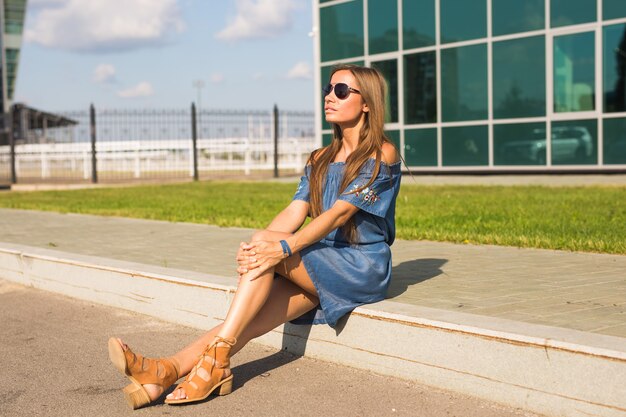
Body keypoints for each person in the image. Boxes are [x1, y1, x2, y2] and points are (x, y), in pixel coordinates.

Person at [108, 64, 402, 409]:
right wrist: (259, 245)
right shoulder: (320, 158)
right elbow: (296, 210)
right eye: (328, 88)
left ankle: (202, 367)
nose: (329, 97)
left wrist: (280, 247)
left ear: (366, 102)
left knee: (266, 252)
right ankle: (165, 372)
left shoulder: (382, 153)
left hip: (359, 266)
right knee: (244, 319)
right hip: (320, 259)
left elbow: (340, 212)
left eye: (340, 91)